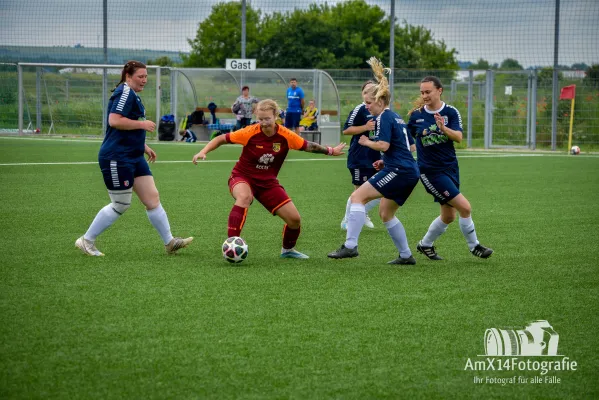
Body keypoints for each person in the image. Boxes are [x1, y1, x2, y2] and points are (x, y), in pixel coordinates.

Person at [192, 99, 346, 259]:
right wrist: (204, 151)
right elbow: (221, 139)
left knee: (294, 220)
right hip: (242, 176)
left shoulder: (286, 135)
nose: (264, 123)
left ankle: (288, 250)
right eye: (260, 119)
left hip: (267, 183)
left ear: (276, 116)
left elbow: (309, 146)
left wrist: (330, 150)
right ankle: (231, 243)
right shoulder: (249, 132)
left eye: (267, 119)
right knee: (245, 197)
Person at [75, 60, 193, 256]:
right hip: (117, 157)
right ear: (128, 77)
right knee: (120, 204)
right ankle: (86, 240)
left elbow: (126, 126)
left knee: (152, 198)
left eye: (146, 76)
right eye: (140, 76)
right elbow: (114, 121)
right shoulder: (125, 92)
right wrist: (142, 125)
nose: (144, 80)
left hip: (133, 154)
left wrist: (143, 146)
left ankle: (170, 242)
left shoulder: (132, 94)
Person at [328, 57, 419, 265]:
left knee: (357, 198)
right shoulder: (395, 117)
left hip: (400, 171)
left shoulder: (384, 118)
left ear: (380, 101)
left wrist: (367, 142)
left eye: (369, 103)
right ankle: (406, 255)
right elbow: (404, 147)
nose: (366, 107)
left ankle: (350, 246)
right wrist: (384, 163)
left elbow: (384, 145)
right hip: (407, 170)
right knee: (386, 213)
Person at [407, 76, 493, 260]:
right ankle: (474, 246)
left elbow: (458, 138)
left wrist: (443, 129)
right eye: (422, 92)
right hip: (430, 171)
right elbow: (405, 137)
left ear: (439, 90)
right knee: (465, 207)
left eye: (428, 92)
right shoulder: (416, 115)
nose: (424, 96)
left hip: (451, 168)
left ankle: (425, 244)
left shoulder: (451, 112)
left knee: (448, 217)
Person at [339, 81, 380, 231]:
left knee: (379, 189)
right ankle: (348, 218)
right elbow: (346, 130)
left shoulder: (381, 110)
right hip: (360, 157)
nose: (369, 93)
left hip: (377, 156)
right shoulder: (359, 109)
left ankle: (363, 213)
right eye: (366, 91)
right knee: (360, 190)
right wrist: (365, 127)